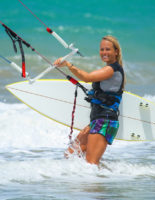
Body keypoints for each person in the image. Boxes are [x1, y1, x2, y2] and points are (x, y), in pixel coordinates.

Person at [54, 35, 125, 165]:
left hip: (105, 121)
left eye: (108, 49)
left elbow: (86, 77)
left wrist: (68, 65)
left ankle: (101, 182)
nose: (104, 52)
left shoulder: (112, 70)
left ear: (116, 52)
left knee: (91, 164)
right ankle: (102, 177)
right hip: (97, 120)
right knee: (71, 154)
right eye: (102, 49)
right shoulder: (108, 69)